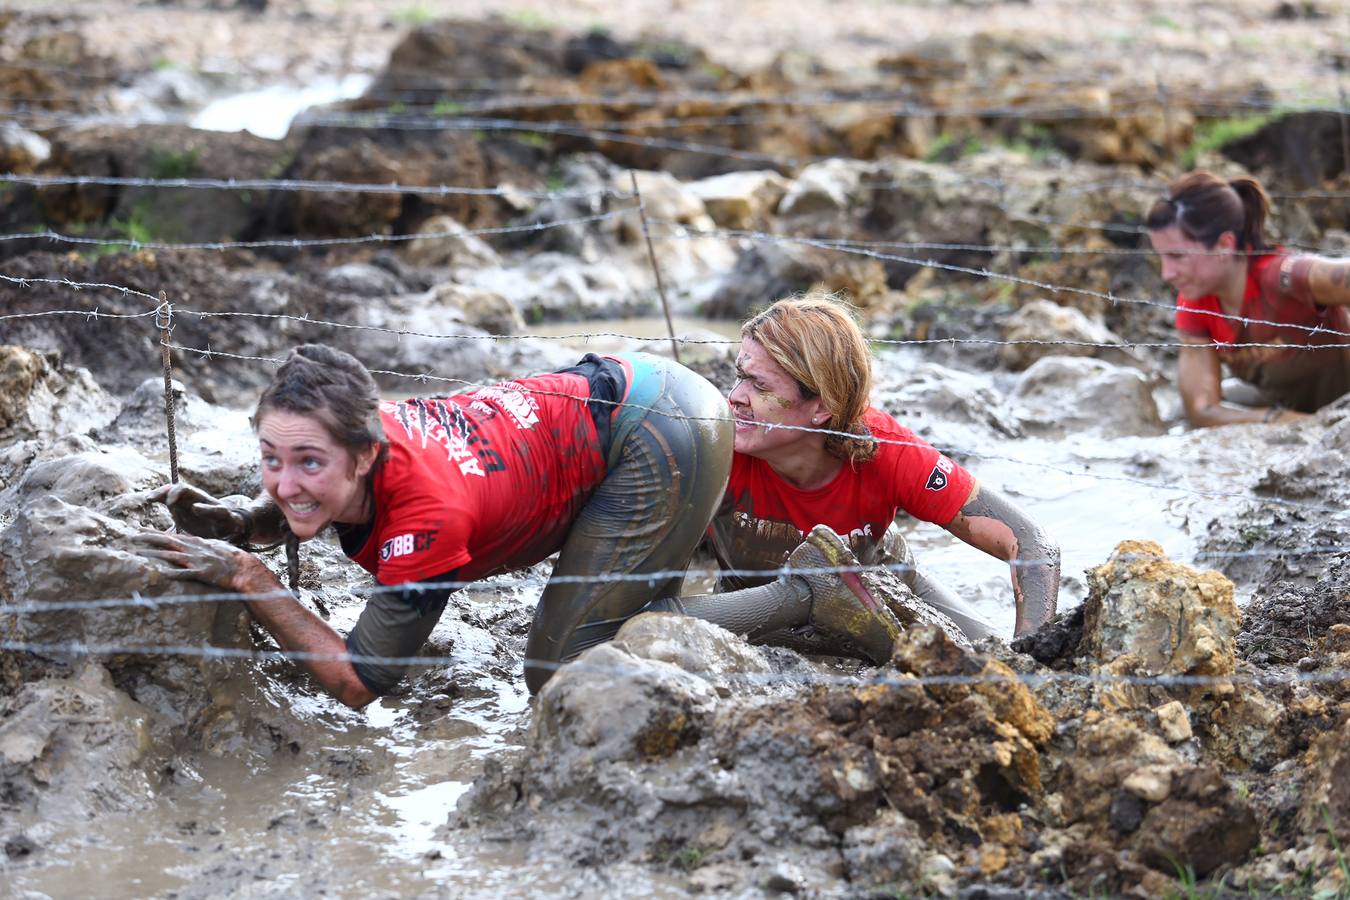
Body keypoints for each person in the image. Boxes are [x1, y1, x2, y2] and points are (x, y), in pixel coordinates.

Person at [133, 344, 905, 707]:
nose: (285, 480)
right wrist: (249, 517)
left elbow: (360, 680)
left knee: (563, 668)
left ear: (367, 455)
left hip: (655, 431)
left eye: (307, 464)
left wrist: (249, 575)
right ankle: (718, 581)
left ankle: (807, 592)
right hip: (635, 398)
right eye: (269, 458)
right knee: (615, 620)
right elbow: (306, 492)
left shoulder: (424, 520)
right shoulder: (361, 426)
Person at [668, 293, 1060, 644]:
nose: (734, 397)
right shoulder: (712, 447)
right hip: (752, 600)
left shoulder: (883, 448)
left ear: (823, 407)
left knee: (995, 662)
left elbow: (1029, 541)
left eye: (760, 386)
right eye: (740, 377)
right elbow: (637, 604)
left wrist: (1035, 651)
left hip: (886, 586)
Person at [1145, 171, 1350, 428]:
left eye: (1177, 256)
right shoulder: (1195, 305)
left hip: (1342, 400)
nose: (1166, 274)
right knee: (1178, 417)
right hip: (1287, 405)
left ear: (1224, 245)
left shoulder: (1286, 276)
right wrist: (1287, 422)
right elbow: (1202, 409)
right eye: (1160, 257)